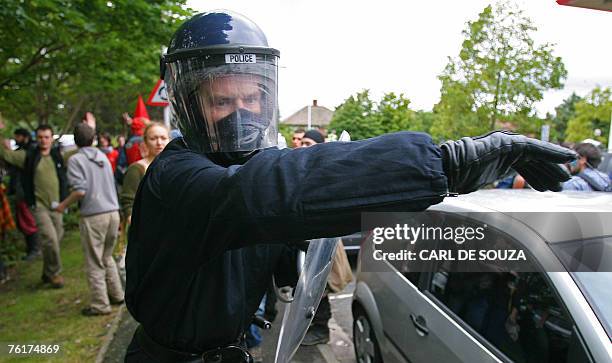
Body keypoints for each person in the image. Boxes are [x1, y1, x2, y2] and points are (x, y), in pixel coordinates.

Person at [124, 10, 576, 362]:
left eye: (252, 97)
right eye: (223, 101)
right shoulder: (178, 176)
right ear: (188, 103)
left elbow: (308, 195)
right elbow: (261, 194)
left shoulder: (253, 166)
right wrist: (445, 163)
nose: (241, 111)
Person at [54, 124, 124, 316]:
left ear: (75, 140)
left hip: (94, 215)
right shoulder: (102, 156)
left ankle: (100, 305)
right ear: (93, 139)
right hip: (113, 212)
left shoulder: (76, 160)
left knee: (94, 261)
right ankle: (117, 294)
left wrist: (62, 205)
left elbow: (79, 191)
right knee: (107, 256)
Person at [298, 129, 354, 346]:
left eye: (308, 142)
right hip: (308, 239)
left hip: (323, 240)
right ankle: (314, 326)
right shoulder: (303, 168)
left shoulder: (326, 171)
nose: (302, 146)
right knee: (310, 288)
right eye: (301, 142)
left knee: (321, 287)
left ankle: (321, 329)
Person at [0, 123, 68, 289]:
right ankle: (56, 274)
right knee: (50, 240)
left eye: (46, 137)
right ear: (36, 139)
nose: (43, 141)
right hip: (39, 206)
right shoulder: (29, 156)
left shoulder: (57, 155)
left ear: (52, 139)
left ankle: (47, 273)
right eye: (40, 137)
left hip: (57, 205)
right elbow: (6, 154)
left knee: (55, 240)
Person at [120, 122, 170, 225]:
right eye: (153, 138)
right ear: (145, 142)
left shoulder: (177, 167)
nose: (159, 142)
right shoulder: (136, 169)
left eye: (163, 138)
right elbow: (128, 203)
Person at [8, 128, 40, 260]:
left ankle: (34, 249)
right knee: (25, 220)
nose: (15, 139)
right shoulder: (27, 150)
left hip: (26, 192)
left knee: (28, 220)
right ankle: (31, 248)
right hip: (22, 191)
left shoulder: (29, 152)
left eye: (17, 137)